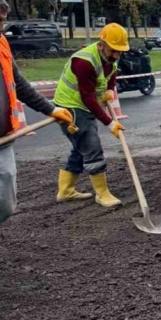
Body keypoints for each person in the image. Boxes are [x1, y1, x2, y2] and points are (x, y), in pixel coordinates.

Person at [0, 0, 74, 320]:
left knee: (3, 208)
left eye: (2, 20)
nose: (0, 28)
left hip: (1, 145)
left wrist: (53, 109)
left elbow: (19, 85)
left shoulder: (0, 46)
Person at [53, 23, 129, 209]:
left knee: (81, 148)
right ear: (101, 44)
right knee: (91, 148)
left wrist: (110, 90)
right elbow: (87, 97)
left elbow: (111, 75)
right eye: (113, 50)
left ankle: (65, 191)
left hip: (84, 106)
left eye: (120, 51)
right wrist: (109, 123)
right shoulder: (84, 62)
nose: (117, 55)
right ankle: (102, 194)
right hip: (70, 108)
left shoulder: (110, 57)